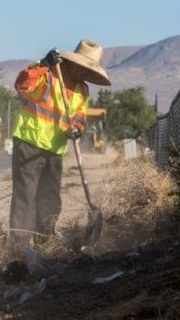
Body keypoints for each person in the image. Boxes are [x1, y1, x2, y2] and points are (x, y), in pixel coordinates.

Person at [9, 39, 110, 254]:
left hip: (55, 150)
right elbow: (21, 84)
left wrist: (77, 128)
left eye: (87, 70)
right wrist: (44, 64)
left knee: (50, 198)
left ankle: (45, 241)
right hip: (29, 142)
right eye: (82, 67)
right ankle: (19, 247)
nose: (83, 72)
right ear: (73, 62)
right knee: (25, 195)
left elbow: (80, 116)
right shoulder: (47, 71)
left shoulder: (82, 89)